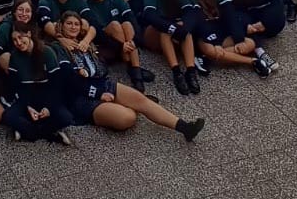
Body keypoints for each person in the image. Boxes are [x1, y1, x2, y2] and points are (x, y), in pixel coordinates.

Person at [55, 11, 205, 140]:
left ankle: (185, 128)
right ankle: (126, 106)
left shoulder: (85, 43)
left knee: (142, 100)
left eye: (76, 24)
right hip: (82, 98)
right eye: (69, 23)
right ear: (61, 25)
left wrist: (87, 41)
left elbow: (98, 33)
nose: (73, 27)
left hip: (102, 84)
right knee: (128, 118)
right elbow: (71, 81)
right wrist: (99, 94)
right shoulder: (57, 48)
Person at [2, 22, 73, 144]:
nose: (18, 42)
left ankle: (29, 132)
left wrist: (48, 107)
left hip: (46, 96)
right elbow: (15, 86)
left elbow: (56, 85)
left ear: (29, 34)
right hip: (26, 97)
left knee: (66, 118)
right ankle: (48, 132)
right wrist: (28, 107)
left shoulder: (47, 52)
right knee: (8, 116)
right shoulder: (14, 56)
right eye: (14, 40)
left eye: (20, 37)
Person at [141, 0, 201, 96]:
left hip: (173, 32)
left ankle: (190, 71)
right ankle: (176, 72)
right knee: (166, 30)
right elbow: (150, 16)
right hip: (154, 34)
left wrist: (185, 27)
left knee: (185, 29)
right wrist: (172, 28)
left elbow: (190, 12)